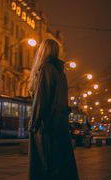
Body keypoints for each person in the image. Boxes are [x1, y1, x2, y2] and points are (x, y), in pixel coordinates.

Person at [28, 39, 79, 180]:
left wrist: (34, 123)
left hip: (46, 125)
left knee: (45, 164)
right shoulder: (61, 73)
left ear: (42, 51)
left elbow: (41, 98)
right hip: (60, 125)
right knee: (60, 163)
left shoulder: (46, 68)